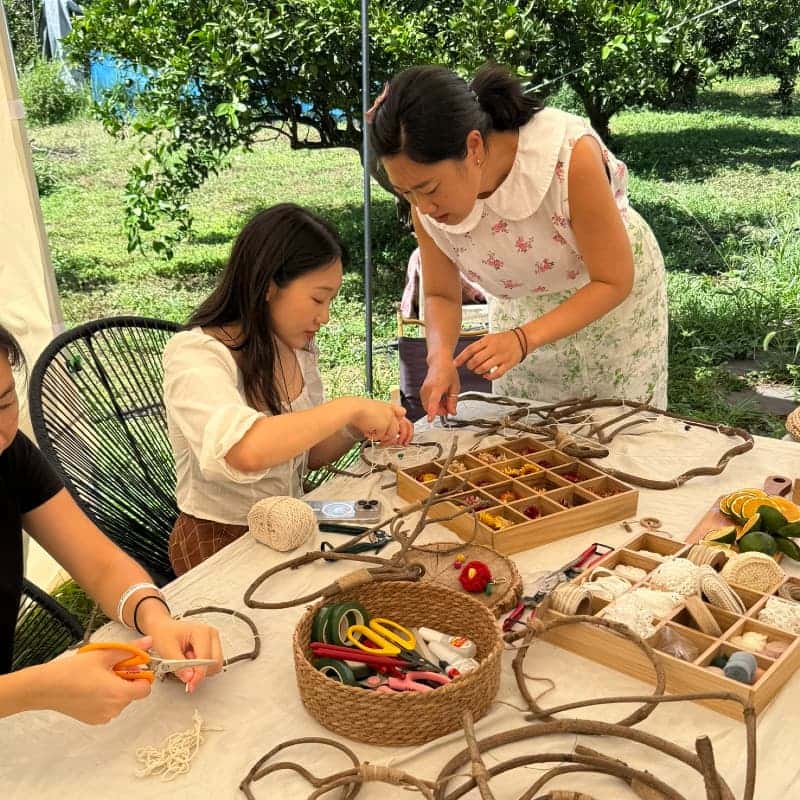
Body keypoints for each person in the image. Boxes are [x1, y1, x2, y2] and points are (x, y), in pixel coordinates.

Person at [368, 63, 668, 420]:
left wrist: (523, 339)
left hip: (607, 300)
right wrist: (438, 360)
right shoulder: (425, 205)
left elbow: (613, 280)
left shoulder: (568, 157)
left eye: (430, 189)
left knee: (616, 430)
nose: (424, 207)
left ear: (473, 146)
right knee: (532, 432)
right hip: (521, 312)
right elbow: (439, 294)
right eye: (406, 193)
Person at [163, 203, 413, 575]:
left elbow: (308, 455)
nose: (324, 316)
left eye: (330, 301)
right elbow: (244, 450)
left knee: (390, 525)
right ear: (268, 285)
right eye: (317, 298)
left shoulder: (292, 347)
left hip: (298, 516)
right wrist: (347, 409)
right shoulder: (196, 356)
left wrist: (355, 427)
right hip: (225, 537)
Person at [0, 323, 223, 724]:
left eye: (3, 403)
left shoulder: (11, 456)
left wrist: (157, 619)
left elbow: (100, 566)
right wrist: (39, 688)